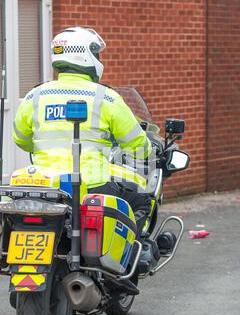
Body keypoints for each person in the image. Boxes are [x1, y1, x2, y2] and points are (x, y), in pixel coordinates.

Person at [13, 27, 153, 267]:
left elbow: (21, 139)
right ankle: (127, 259)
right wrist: (148, 148)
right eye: (97, 53)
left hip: (45, 186)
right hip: (91, 182)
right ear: (86, 56)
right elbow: (136, 141)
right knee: (141, 199)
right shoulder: (105, 98)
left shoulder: (35, 96)